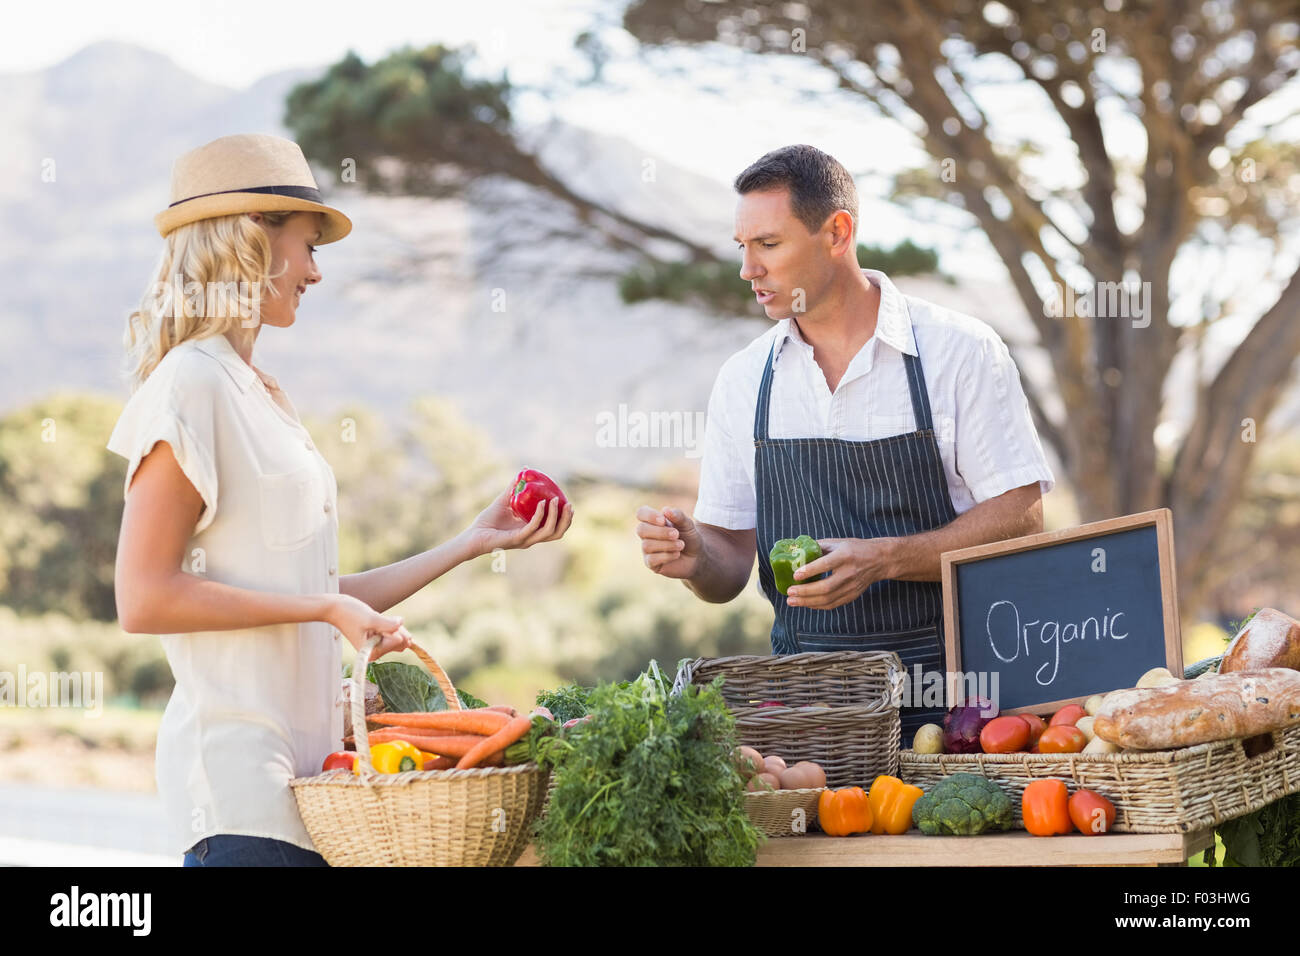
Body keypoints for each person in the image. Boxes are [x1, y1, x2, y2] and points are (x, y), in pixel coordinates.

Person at [108, 133, 573, 867]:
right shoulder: (191, 384)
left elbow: (315, 592)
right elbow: (144, 597)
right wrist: (325, 611)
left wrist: (468, 543)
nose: (317, 273)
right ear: (252, 240)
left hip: (308, 793)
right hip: (237, 793)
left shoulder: (259, 394)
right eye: (309, 245)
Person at [635, 144, 1053, 745]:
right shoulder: (746, 379)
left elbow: (1023, 520)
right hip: (811, 719)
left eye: (769, 245)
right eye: (742, 247)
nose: (748, 269)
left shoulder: (958, 352)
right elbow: (728, 567)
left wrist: (884, 559)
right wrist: (695, 555)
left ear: (837, 232)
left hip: (961, 710)